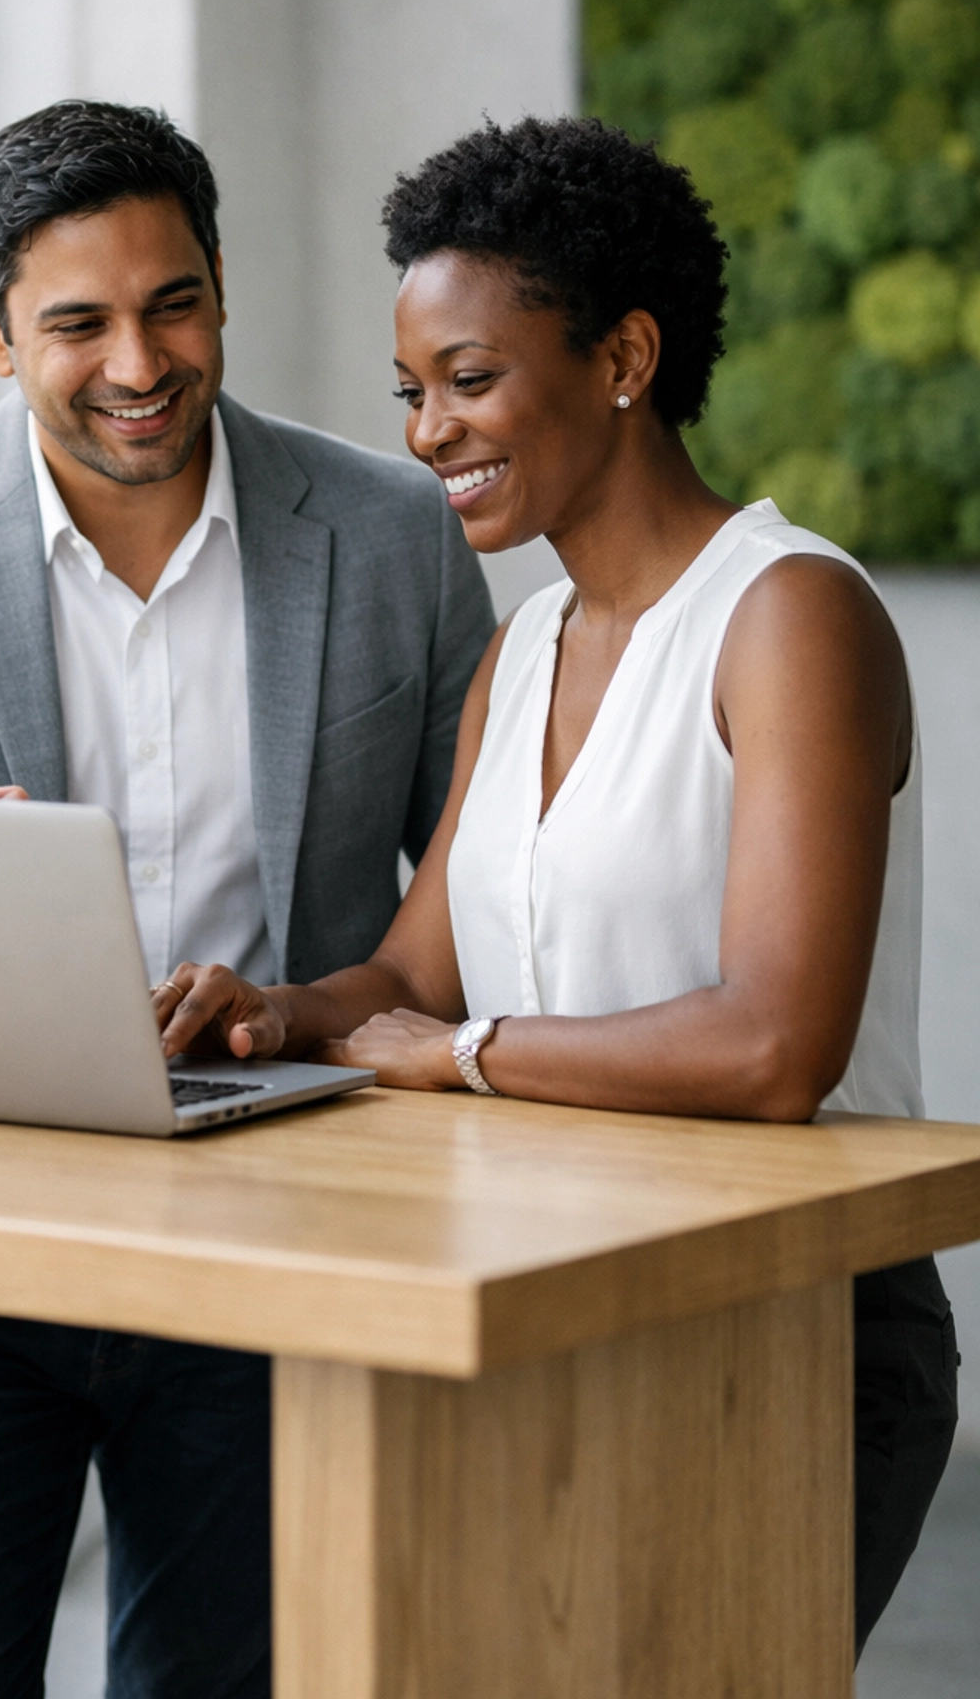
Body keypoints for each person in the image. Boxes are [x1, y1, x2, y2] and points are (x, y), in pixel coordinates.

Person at [0, 98, 494, 1699]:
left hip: (283, 1245)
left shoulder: (391, 530)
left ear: (222, 289)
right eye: (78, 324)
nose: (140, 362)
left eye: (173, 304)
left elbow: (487, 892)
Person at [159, 112, 959, 1659]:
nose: (427, 432)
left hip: (791, 1322)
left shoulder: (791, 616)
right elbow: (415, 977)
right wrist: (271, 1012)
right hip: (557, 1291)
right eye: (411, 392)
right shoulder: (525, 645)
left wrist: (462, 1058)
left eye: (468, 380)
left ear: (625, 358)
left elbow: (775, 1048)